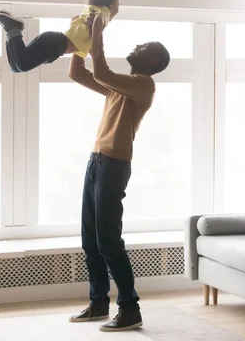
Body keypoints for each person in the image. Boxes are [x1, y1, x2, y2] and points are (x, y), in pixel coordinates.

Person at [67, 30, 170, 332]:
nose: (138, 45)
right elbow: (77, 72)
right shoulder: (118, 87)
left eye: (145, 46)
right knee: (91, 240)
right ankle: (99, 302)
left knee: (109, 241)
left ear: (152, 60)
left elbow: (100, 70)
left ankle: (130, 309)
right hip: (97, 160)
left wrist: (97, 32)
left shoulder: (143, 85)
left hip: (113, 165)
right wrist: (81, 42)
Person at [0, 0, 120, 73]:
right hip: (55, 43)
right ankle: (13, 28)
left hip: (54, 41)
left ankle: (10, 29)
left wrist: (82, 32)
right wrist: (94, 47)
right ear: (112, 5)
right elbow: (98, 20)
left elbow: (76, 18)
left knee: (16, 67)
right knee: (23, 65)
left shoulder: (91, 9)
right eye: (118, 3)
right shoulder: (104, 12)